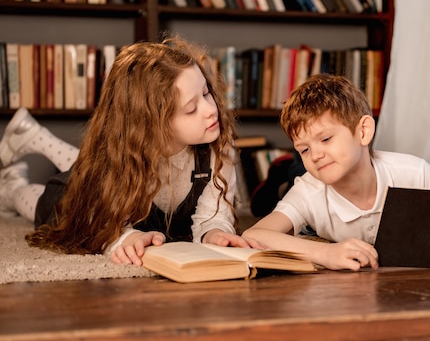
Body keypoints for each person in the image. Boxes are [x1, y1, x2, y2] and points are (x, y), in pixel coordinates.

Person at [0, 37, 258, 266]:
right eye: (191, 108)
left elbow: (214, 214)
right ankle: (11, 189)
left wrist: (215, 233)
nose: (211, 109)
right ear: (151, 123)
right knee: (43, 203)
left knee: (84, 164)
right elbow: (103, 223)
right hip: (79, 199)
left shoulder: (217, 145)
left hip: (105, 176)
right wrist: (125, 237)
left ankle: (34, 137)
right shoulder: (121, 157)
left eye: (207, 93)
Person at [243, 74, 430, 271]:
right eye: (304, 149)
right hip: (299, 193)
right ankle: (283, 169)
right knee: (279, 190)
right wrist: (325, 252)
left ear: (363, 131)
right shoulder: (310, 189)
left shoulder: (412, 171)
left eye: (326, 139)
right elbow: (258, 234)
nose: (315, 155)